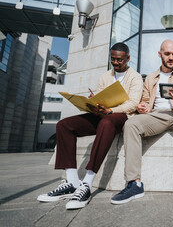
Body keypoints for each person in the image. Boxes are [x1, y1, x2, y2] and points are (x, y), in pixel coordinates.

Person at [37, 43, 143, 210]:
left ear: (128, 58)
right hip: (103, 115)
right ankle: (72, 181)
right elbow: (102, 99)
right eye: (113, 59)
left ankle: (87, 182)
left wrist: (110, 111)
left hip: (122, 117)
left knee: (107, 122)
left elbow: (133, 104)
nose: (115, 63)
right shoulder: (105, 76)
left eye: (119, 60)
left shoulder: (135, 77)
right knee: (64, 125)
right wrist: (95, 103)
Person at [110, 40, 173, 206]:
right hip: (157, 115)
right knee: (131, 124)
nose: (171, 57)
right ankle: (134, 184)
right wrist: (143, 106)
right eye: (167, 54)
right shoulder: (151, 77)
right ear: (160, 54)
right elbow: (146, 101)